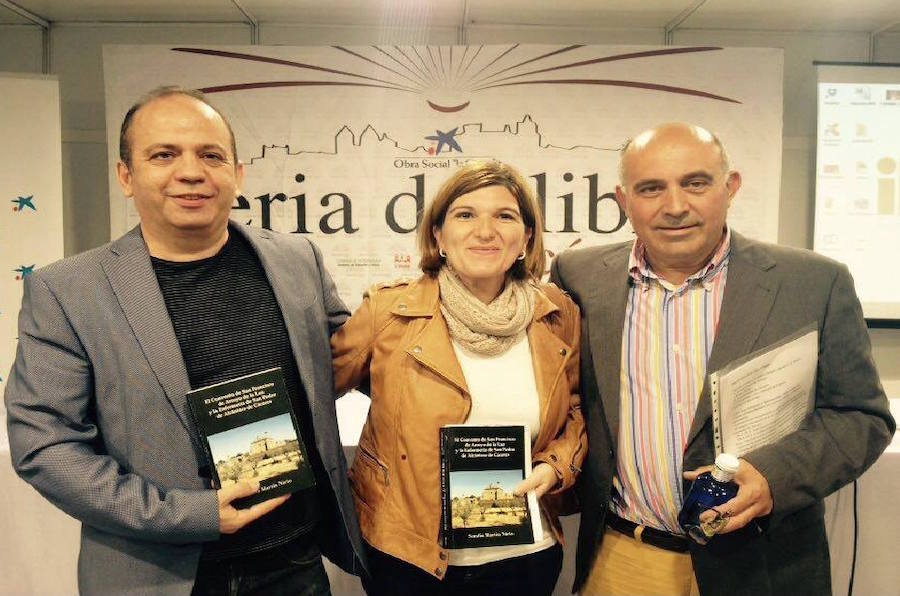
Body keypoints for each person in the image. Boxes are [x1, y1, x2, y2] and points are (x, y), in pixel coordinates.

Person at [4, 87, 365, 595]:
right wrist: (190, 515)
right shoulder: (67, 291)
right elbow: (46, 446)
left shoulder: (297, 260)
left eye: (211, 155)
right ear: (126, 175)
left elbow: (358, 359)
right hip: (160, 577)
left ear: (237, 175)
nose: (191, 171)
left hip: (296, 565)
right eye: (164, 155)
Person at [551, 122, 894, 596]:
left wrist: (774, 475)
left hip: (762, 566)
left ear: (731, 187)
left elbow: (861, 416)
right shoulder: (578, 276)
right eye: (651, 189)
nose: (675, 206)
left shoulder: (813, 283)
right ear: (623, 199)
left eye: (695, 183)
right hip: (624, 560)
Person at [331, 160, 587, 595]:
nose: (485, 231)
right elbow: (311, 392)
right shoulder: (387, 314)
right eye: (465, 215)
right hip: (409, 561)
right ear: (438, 235)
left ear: (526, 237)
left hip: (525, 560)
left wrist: (555, 466)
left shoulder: (558, 315)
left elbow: (577, 412)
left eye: (504, 216)